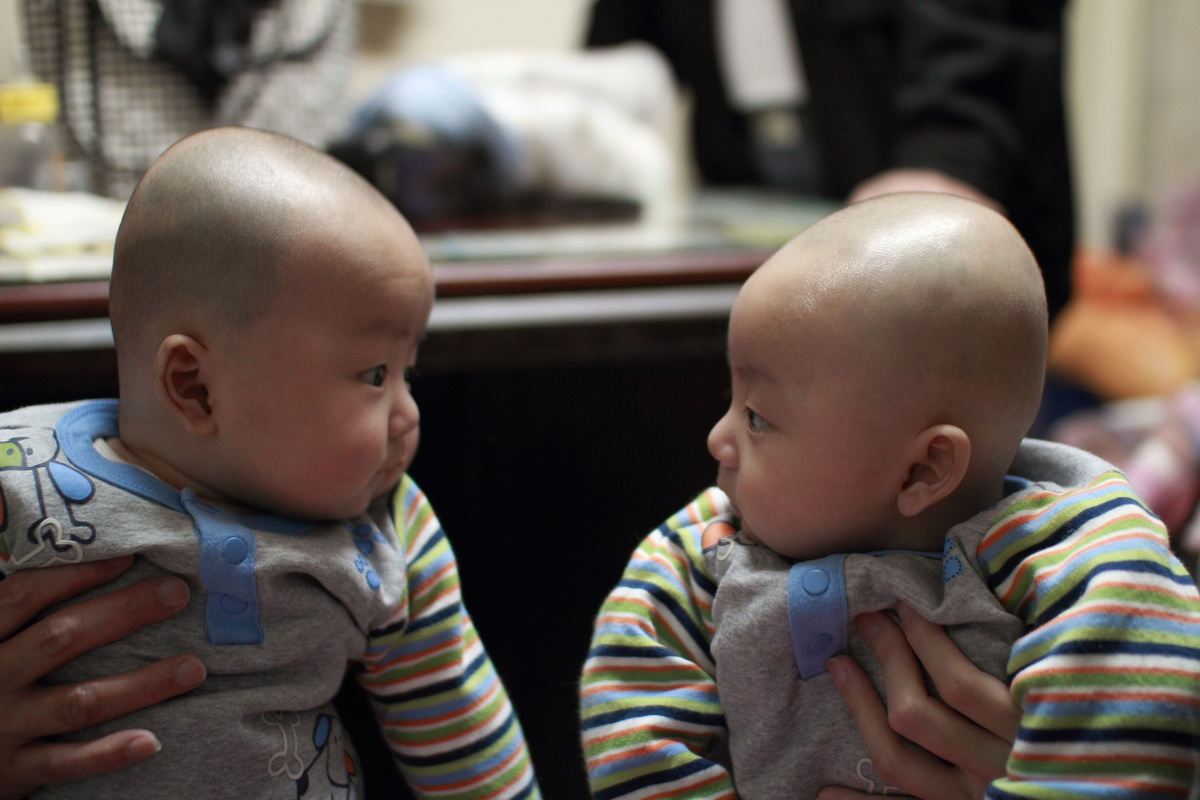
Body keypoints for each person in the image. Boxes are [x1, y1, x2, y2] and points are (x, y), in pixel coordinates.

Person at [580, 193, 1200, 798]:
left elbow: (1140, 713)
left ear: (921, 471)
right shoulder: (706, 548)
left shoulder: (1075, 553)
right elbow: (633, 723)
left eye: (758, 417)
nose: (718, 438)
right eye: (731, 399)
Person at [0, 126, 538, 799]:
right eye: (375, 375)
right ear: (195, 387)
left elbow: (471, 754)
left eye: (409, 372)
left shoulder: (390, 531)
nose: (408, 414)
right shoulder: (21, 478)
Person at [584, 0, 1075, 320]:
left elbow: (990, 34)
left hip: (916, 188)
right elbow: (616, 56)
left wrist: (946, 162)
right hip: (745, 197)